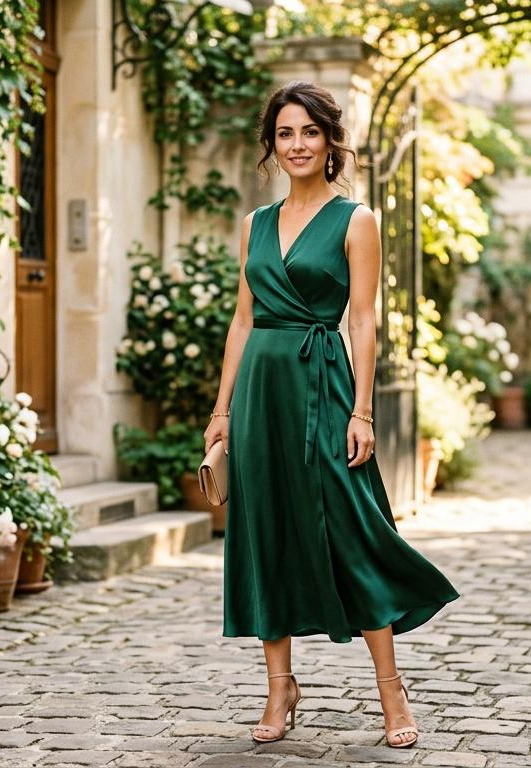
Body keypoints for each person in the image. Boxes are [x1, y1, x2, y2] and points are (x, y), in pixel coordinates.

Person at [203, 80, 460, 750]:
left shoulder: (357, 220)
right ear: (272, 145)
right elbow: (242, 318)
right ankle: (279, 685)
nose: (296, 145)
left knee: (351, 526)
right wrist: (222, 409)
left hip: (323, 381)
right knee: (264, 528)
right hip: (261, 389)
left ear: (329, 142)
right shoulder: (253, 226)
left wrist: (363, 410)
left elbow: (365, 321)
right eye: (285, 133)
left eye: (309, 132)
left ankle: (390, 691)